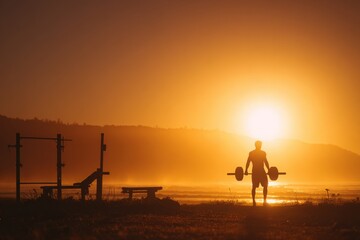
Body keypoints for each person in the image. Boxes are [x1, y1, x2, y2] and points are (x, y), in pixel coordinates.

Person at [245, 140, 270, 206]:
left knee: (265, 185)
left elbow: (266, 162)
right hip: (258, 171)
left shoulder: (262, 153)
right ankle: (254, 201)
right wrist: (246, 170)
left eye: (260, 145)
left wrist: (269, 169)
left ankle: (264, 201)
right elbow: (248, 162)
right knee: (254, 186)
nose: (260, 146)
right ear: (256, 145)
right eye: (259, 145)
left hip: (259, 171)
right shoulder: (252, 153)